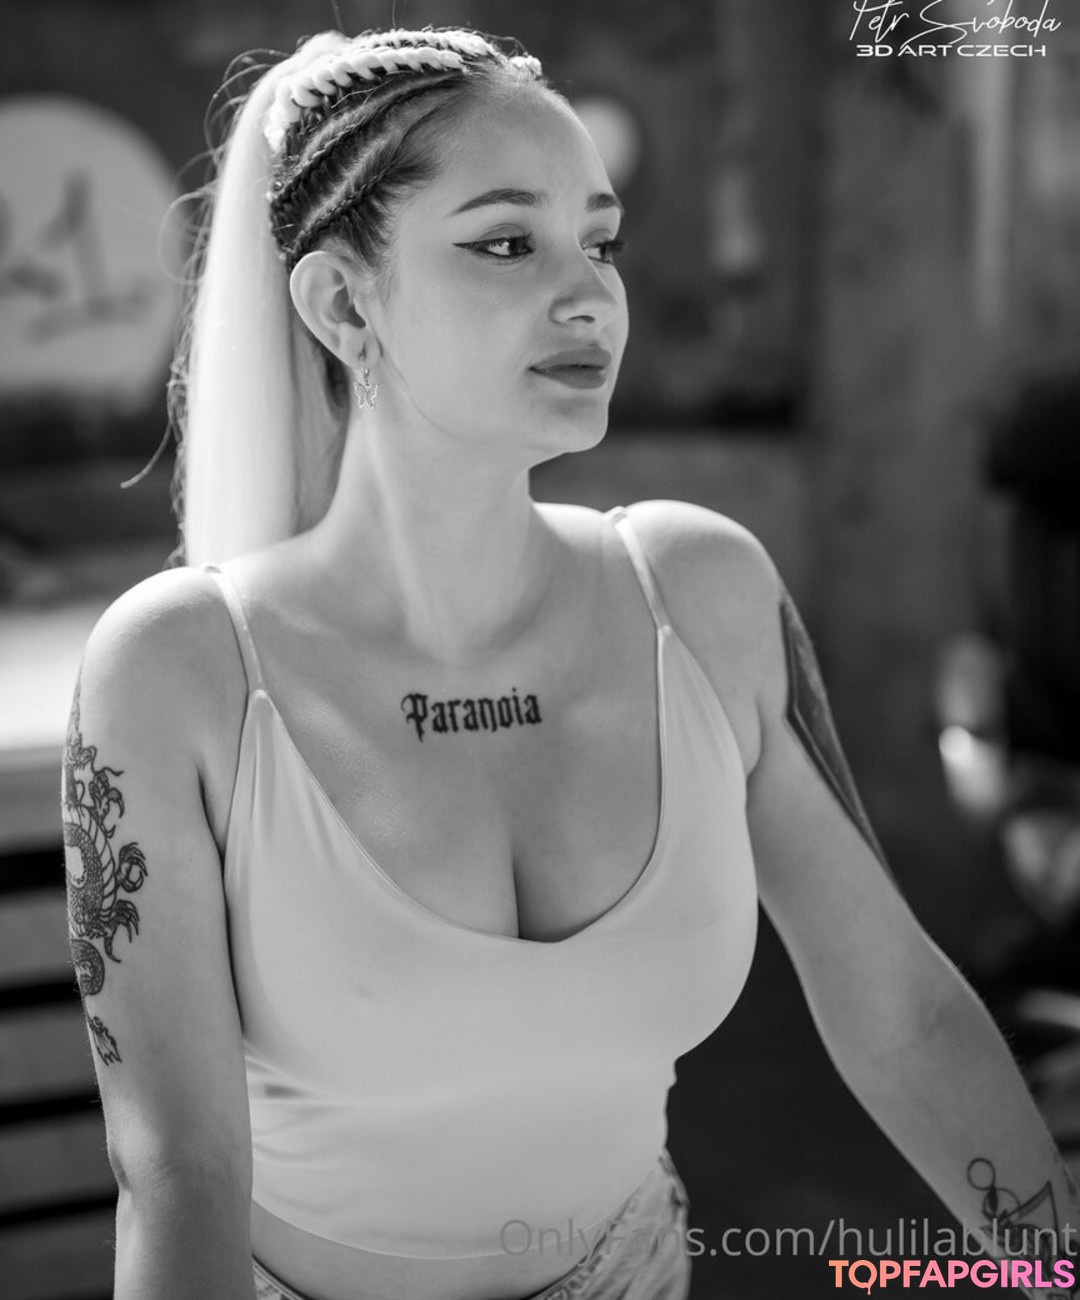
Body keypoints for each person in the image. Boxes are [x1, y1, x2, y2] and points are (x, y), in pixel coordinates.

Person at [59, 24, 1079, 1300]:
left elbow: (905, 1015)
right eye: (506, 243)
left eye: (601, 241)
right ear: (342, 303)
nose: (589, 294)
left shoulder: (700, 593)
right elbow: (180, 1171)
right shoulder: (177, 670)